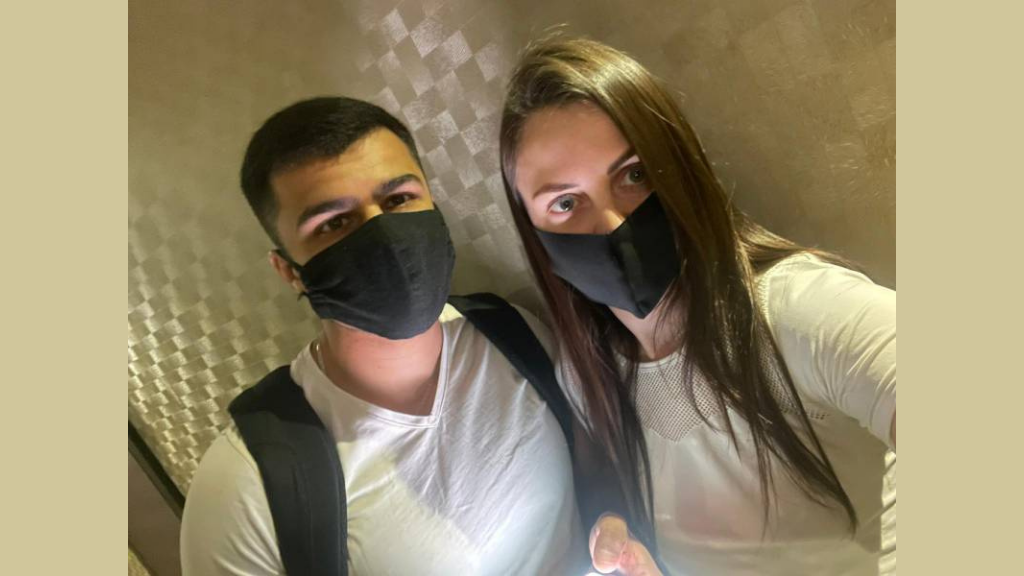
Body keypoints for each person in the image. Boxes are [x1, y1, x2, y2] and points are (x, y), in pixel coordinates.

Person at [499, 36, 896, 576]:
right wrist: (619, 528)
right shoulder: (587, 372)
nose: (613, 224)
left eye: (634, 174)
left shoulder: (796, 310)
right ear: (536, 235)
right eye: (566, 203)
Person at [180, 97, 587, 575]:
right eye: (334, 223)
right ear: (290, 271)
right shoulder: (244, 490)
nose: (385, 236)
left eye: (398, 200)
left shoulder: (514, 333)